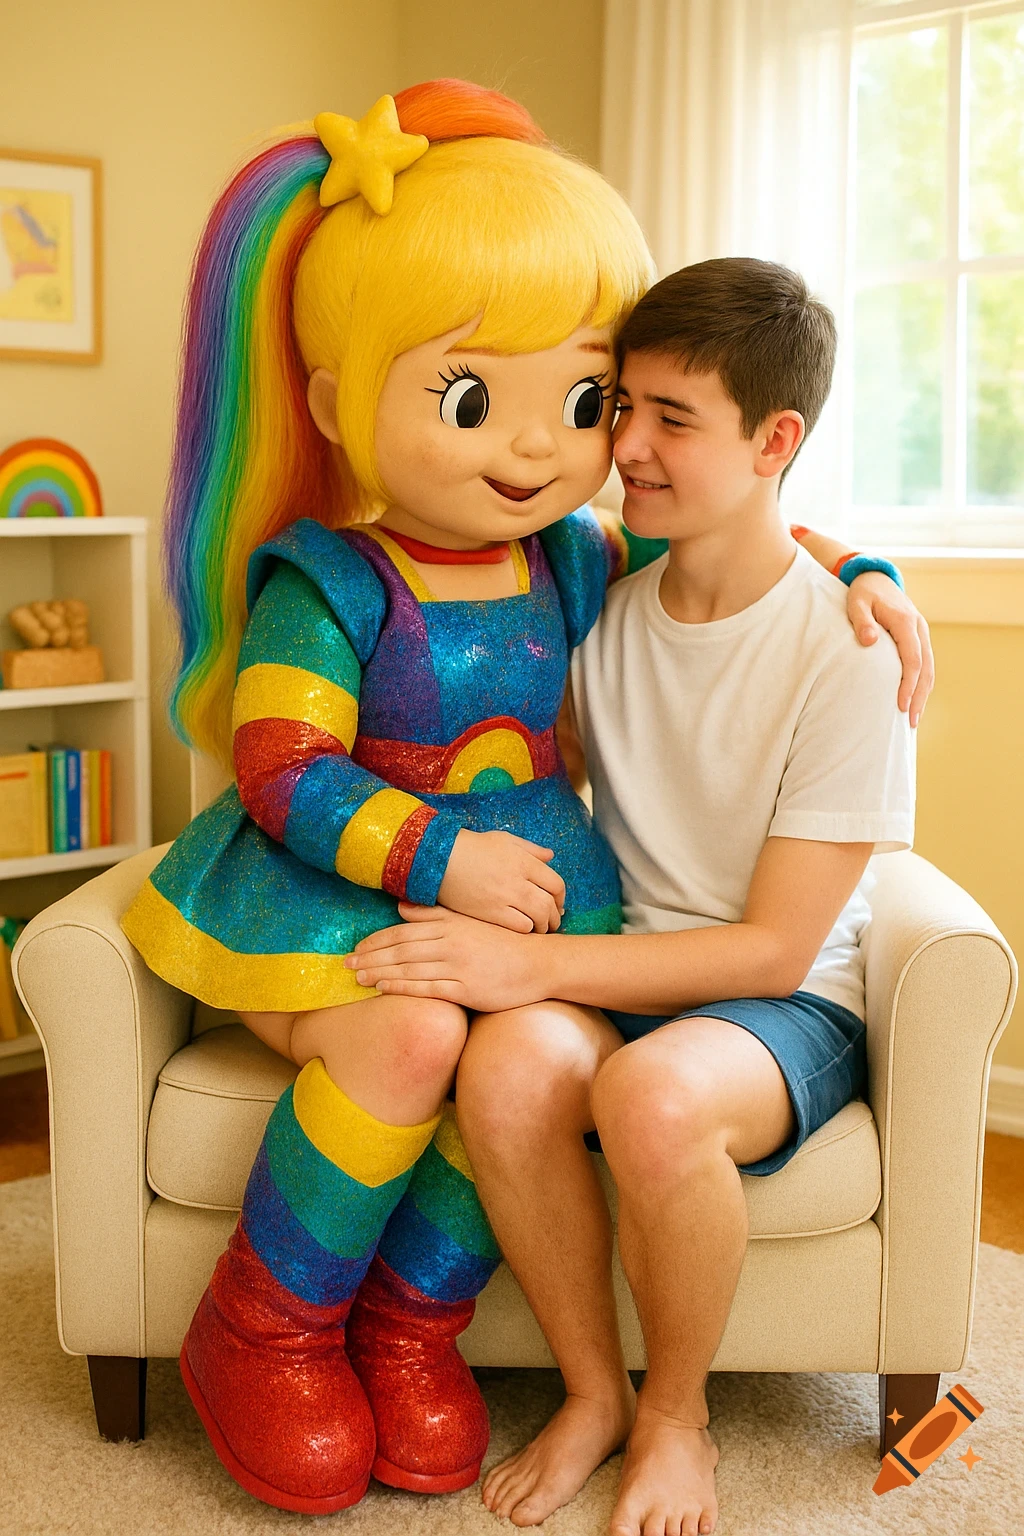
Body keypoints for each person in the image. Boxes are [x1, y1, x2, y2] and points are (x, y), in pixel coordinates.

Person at [350, 258, 922, 1536]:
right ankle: (594, 1394)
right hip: (626, 956)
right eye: (625, 407)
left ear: (777, 440)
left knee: (650, 1095)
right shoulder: (591, 602)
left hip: (783, 1007)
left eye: (676, 418)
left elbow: (776, 952)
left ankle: (678, 1417)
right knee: (503, 1072)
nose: (630, 447)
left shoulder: (846, 649)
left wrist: (531, 969)